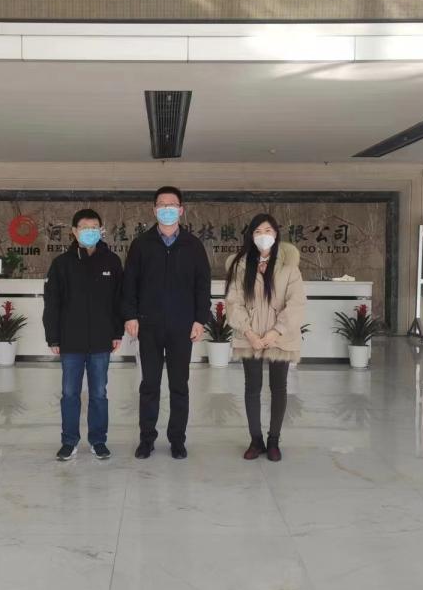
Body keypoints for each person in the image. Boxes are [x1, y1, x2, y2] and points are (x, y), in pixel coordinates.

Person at [123, 186, 211, 460]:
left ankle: (177, 440)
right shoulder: (141, 244)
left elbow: (202, 286)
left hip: (181, 327)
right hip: (148, 325)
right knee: (149, 384)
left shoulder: (193, 246)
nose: (167, 209)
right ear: (154, 210)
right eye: (162, 205)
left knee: (179, 385)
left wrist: (200, 319)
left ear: (181, 210)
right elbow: (129, 284)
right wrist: (130, 315)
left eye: (172, 205)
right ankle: (146, 439)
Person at [43, 209, 124, 461]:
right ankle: (69, 441)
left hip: (101, 340)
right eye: (84, 227)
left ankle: (98, 441)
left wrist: (117, 332)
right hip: (71, 341)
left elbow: (118, 301)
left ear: (101, 230)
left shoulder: (112, 262)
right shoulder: (61, 264)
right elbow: (52, 303)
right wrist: (53, 337)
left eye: (94, 227)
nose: (90, 232)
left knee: (99, 393)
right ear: (74, 232)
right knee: (70, 394)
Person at [224, 214, 306, 462]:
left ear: (276, 234)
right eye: (258, 231)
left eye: (268, 230)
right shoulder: (240, 266)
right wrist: (249, 333)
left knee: (279, 388)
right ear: (251, 236)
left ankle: (273, 441)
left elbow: (296, 304)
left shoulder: (289, 267)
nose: (263, 236)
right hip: (249, 337)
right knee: (252, 387)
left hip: (280, 337)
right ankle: (255, 440)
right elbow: (233, 302)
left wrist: (275, 332)